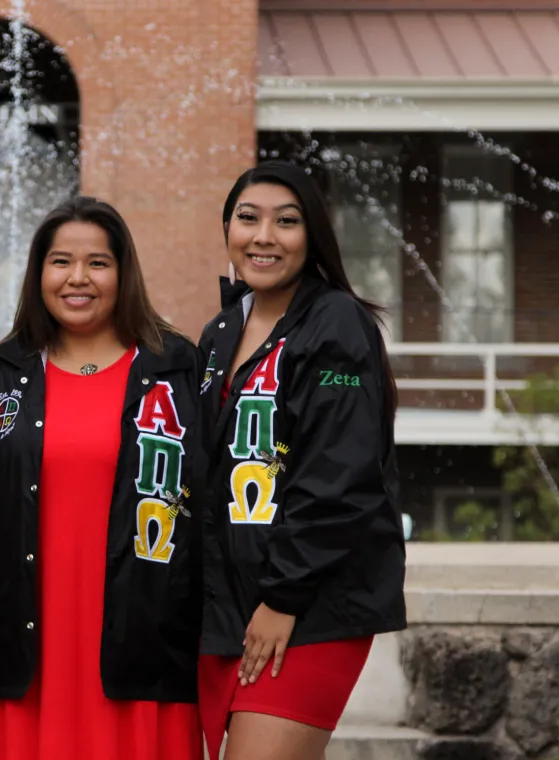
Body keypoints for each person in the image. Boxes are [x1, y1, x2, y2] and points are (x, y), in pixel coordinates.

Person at [0, 196, 206, 760]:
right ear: (38, 274)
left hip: (145, 631)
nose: (78, 278)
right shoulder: (2, 370)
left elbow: (208, 502)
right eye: (60, 262)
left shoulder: (174, 366)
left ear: (123, 274)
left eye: (98, 263)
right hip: (34, 637)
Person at [196, 160, 406, 760]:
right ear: (228, 229)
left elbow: (341, 474)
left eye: (286, 221)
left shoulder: (335, 322)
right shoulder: (219, 332)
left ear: (312, 234)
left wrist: (284, 598)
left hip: (308, 608)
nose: (264, 236)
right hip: (232, 607)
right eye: (248, 218)